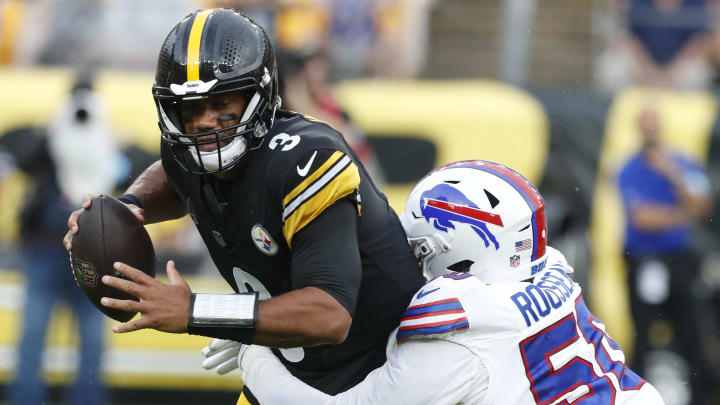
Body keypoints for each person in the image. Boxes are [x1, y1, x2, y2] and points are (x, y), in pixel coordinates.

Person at [63, 8, 424, 403]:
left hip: (385, 375)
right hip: (297, 370)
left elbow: (329, 314)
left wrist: (195, 311)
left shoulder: (306, 160)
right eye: (190, 108)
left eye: (222, 103)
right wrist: (129, 206)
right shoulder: (189, 152)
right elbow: (171, 173)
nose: (203, 122)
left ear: (259, 97)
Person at [225, 160, 665, 404]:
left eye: (417, 249)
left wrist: (255, 350)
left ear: (454, 250)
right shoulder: (550, 268)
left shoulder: (458, 335)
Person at [4, 73, 117, 405]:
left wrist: (110, 140)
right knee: (33, 336)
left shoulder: (104, 139)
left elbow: (130, 173)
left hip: (90, 255)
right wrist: (50, 133)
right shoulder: (49, 138)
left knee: (93, 340)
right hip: (46, 252)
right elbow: (20, 161)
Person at [618, 104, 712, 403]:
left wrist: (672, 174)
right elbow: (643, 219)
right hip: (643, 259)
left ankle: (699, 394)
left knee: (690, 329)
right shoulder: (629, 168)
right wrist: (681, 214)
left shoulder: (683, 163)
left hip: (678, 259)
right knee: (642, 332)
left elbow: (702, 205)